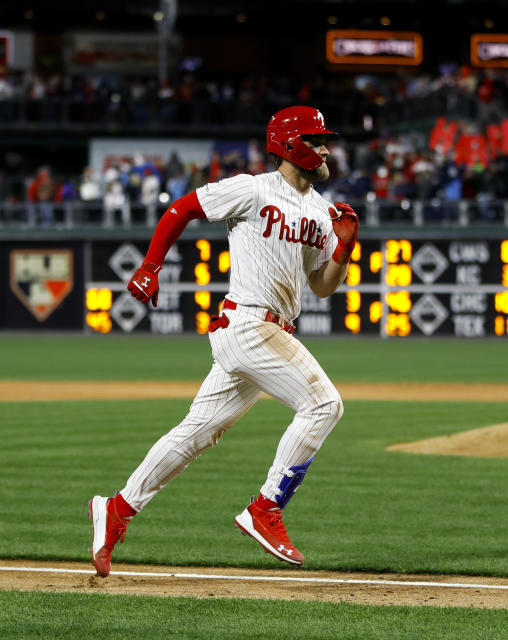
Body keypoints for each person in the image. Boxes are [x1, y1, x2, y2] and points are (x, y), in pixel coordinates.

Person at [88, 106, 359, 577]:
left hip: (269, 331)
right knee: (324, 404)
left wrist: (344, 249)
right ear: (291, 145)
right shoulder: (253, 188)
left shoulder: (320, 209)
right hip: (250, 324)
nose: (324, 148)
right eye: (315, 140)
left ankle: (116, 510)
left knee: (197, 433)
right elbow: (183, 208)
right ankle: (265, 509)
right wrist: (150, 266)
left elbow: (322, 286)